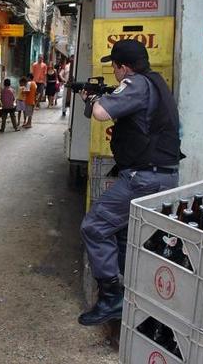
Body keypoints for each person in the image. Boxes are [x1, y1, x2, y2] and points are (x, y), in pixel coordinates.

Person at [77, 40, 183, 326]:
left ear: (123, 67)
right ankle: (135, 293)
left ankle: (112, 299)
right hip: (157, 174)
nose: (113, 71)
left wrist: (94, 99)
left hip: (144, 177)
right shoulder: (154, 82)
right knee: (123, 233)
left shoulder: (135, 83)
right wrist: (93, 97)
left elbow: (101, 113)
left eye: (114, 66)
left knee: (95, 226)